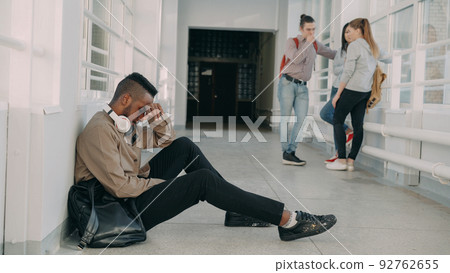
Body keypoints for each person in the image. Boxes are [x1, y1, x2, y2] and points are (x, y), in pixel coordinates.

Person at [74, 72, 337, 243]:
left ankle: (235, 210)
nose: (144, 114)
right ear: (125, 98)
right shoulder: (100, 130)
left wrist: (158, 118)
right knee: (202, 182)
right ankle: (288, 221)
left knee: (185, 147)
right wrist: (165, 186)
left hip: (133, 191)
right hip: (123, 209)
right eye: (143, 108)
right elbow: (120, 188)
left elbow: (165, 140)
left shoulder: (123, 123)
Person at [327, 18, 391, 171]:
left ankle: (341, 160)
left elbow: (348, 72)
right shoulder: (373, 46)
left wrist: (338, 95)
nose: (348, 34)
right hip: (365, 92)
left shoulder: (354, 46)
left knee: (337, 119)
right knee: (358, 125)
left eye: (350, 30)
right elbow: (389, 58)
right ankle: (351, 161)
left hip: (352, 89)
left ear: (358, 30)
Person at [278, 14, 336, 166]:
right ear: (301, 29)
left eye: (314, 29)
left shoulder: (315, 44)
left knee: (302, 120)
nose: (312, 32)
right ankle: (285, 153)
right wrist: (307, 44)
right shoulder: (292, 42)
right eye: (308, 29)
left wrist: (351, 52)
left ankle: (291, 152)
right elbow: (295, 58)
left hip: (303, 87)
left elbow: (332, 53)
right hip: (287, 84)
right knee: (284, 118)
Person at [319, 23, 354, 164]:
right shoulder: (340, 51)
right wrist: (345, 64)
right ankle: (339, 152)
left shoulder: (359, 50)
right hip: (335, 87)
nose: (348, 35)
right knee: (335, 120)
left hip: (345, 88)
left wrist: (347, 66)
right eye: (346, 32)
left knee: (326, 114)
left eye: (351, 32)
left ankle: (348, 131)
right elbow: (336, 70)